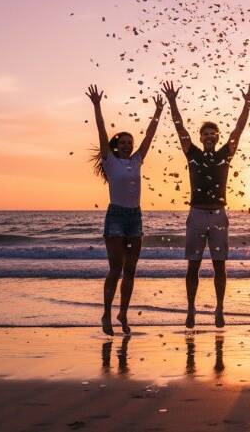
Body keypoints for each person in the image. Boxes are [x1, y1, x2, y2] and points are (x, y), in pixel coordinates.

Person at [163, 80, 250, 328]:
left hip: (218, 215)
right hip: (196, 214)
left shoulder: (224, 154)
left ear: (217, 137)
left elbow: (238, 130)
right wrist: (173, 102)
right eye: (205, 134)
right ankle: (191, 309)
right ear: (200, 137)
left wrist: (247, 104)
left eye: (212, 134)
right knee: (192, 266)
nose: (208, 137)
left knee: (220, 266)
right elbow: (179, 127)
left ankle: (219, 310)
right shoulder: (192, 153)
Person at [87, 84, 163, 336]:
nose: (129, 145)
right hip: (116, 217)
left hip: (135, 218)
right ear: (116, 145)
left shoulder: (137, 160)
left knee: (131, 270)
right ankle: (106, 314)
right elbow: (101, 130)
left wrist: (158, 111)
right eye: (124, 142)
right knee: (115, 269)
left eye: (131, 142)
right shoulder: (110, 161)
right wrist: (97, 106)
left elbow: (150, 137)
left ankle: (123, 314)